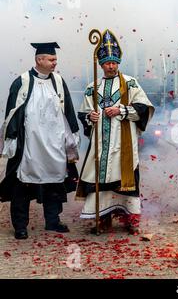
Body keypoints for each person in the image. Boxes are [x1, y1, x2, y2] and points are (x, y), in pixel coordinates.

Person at [76, 30, 154, 235]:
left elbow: (144, 108)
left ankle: (131, 219)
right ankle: (102, 218)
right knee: (100, 180)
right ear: (101, 64)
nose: (111, 66)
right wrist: (89, 118)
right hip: (100, 143)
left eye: (114, 63)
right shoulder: (92, 87)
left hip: (123, 142)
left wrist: (121, 110)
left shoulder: (130, 83)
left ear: (118, 62)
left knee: (125, 179)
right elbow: (83, 113)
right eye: (107, 63)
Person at [0, 42, 80, 240]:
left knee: (55, 182)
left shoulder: (59, 81)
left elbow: (67, 108)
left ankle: (53, 220)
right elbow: (12, 112)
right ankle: (20, 225)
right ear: (39, 60)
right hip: (30, 143)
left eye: (55, 60)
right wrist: (11, 138)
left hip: (54, 143)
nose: (55, 63)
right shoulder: (23, 81)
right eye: (51, 59)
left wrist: (72, 135)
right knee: (23, 184)